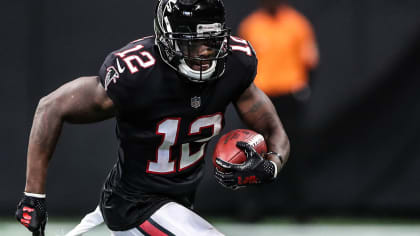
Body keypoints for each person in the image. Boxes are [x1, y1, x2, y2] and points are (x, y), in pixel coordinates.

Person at [15, 0, 290, 235]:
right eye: (193, 43)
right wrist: (33, 197)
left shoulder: (234, 65)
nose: (206, 51)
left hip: (178, 203)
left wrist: (270, 166)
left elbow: (274, 130)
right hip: (134, 203)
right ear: (167, 39)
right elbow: (50, 107)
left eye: (211, 41)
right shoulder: (137, 73)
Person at [239, 0, 319, 142]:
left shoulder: (296, 23)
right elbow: (242, 63)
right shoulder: (251, 26)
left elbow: (310, 60)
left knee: (293, 143)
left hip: (290, 98)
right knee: (260, 145)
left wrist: (305, 91)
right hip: (261, 98)